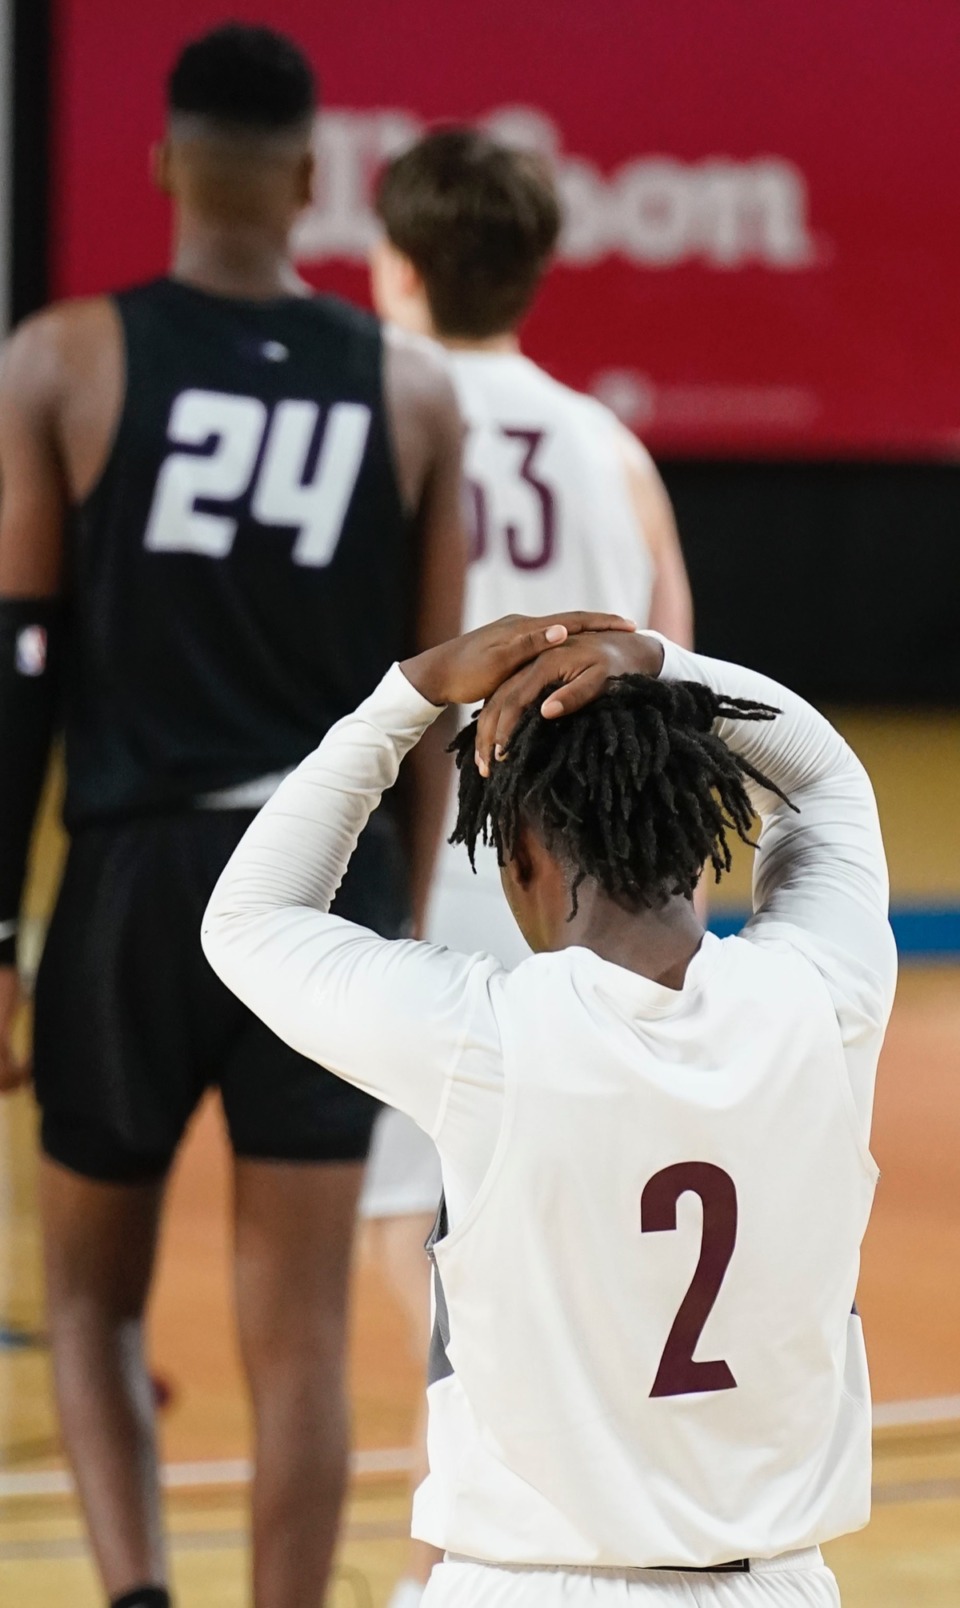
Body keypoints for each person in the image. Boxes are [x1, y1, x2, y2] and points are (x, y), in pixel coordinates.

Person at [0, 24, 465, 1608]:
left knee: (88, 1303)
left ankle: (137, 1598)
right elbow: (432, 708)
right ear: (315, 178)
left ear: (163, 167)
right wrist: (399, 930)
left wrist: (1, 931)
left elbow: (21, 669)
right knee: (305, 1336)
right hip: (322, 892)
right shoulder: (407, 392)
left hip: (135, 878)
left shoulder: (63, 358)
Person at [202, 611, 896, 1608]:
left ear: (522, 853)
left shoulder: (482, 1038)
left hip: (526, 1587)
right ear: (703, 844)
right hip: (776, 1584)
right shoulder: (827, 998)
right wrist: (659, 662)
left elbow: (250, 917)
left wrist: (408, 694)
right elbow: (824, 777)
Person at [363, 129, 694, 1607]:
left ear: (405, 263)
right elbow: (681, 661)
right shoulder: (608, 446)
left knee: (405, 1217)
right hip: (592, 889)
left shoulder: (379, 410)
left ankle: (474, 1512)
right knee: (570, 1196)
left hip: (430, 868)